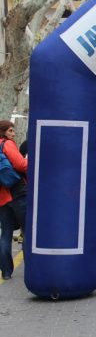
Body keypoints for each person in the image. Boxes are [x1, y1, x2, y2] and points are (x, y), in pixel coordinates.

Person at [0, 120, 27, 280]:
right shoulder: (7, 144)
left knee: (6, 233)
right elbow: (21, 164)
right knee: (27, 229)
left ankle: (6, 272)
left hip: (2, 197)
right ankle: (32, 265)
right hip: (16, 193)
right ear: (3, 132)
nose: (13, 134)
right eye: (10, 130)